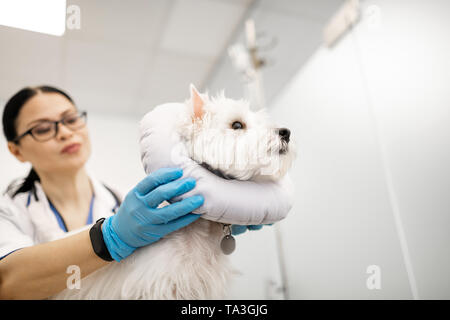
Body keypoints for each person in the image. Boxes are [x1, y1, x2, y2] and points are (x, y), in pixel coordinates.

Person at [0, 86, 207, 299]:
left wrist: (213, 222)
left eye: (71, 119)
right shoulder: (8, 212)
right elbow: (6, 282)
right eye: (42, 129)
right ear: (16, 150)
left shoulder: (128, 201)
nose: (64, 132)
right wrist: (107, 240)